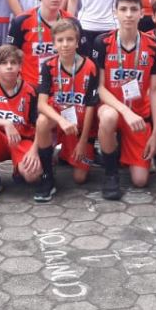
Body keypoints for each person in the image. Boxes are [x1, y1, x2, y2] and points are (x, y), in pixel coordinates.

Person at [91, 0, 156, 200]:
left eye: (134, 9)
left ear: (142, 13)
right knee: (108, 117)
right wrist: (125, 111)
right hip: (115, 110)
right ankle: (110, 173)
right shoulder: (102, 43)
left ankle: (127, 150)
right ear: (115, 12)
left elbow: (155, 91)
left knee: (141, 181)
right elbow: (99, 88)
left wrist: (155, 133)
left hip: (139, 117)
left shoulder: (153, 45)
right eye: (123, 9)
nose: (128, 14)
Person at [0, 46, 47, 201]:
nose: (9, 66)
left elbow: (41, 124)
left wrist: (34, 151)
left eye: (13, 62)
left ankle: (18, 169)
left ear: (20, 66)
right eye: (4, 63)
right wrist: (5, 123)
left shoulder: (31, 90)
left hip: (22, 140)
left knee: (33, 175)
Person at [36, 19, 100, 186]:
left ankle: (67, 150)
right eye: (60, 40)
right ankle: (47, 176)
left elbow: (91, 106)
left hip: (81, 130)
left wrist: (83, 141)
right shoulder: (48, 66)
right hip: (61, 124)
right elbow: (41, 104)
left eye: (70, 39)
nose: (65, 44)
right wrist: (61, 121)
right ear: (54, 44)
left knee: (79, 178)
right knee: (42, 120)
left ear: (77, 43)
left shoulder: (90, 67)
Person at [7, 0, 76, 87]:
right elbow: (10, 58)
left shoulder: (73, 23)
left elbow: (82, 61)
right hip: (30, 87)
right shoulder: (21, 21)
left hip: (61, 87)